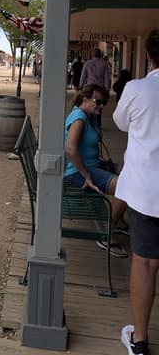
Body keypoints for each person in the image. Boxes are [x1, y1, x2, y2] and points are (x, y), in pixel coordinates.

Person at [117, 30, 159, 355]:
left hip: (148, 193)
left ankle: (140, 341)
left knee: (145, 264)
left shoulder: (138, 88)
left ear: (148, 57)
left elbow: (120, 122)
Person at [62, 84, 129, 258]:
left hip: (94, 165)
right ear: (85, 99)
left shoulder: (88, 115)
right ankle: (106, 234)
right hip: (77, 173)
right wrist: (87, 176)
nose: (101, 106)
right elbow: (70, 149)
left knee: (130, 171)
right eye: (98, 102)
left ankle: (119, 221)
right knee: (128, 188)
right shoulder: (79, 118)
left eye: (104, 103)